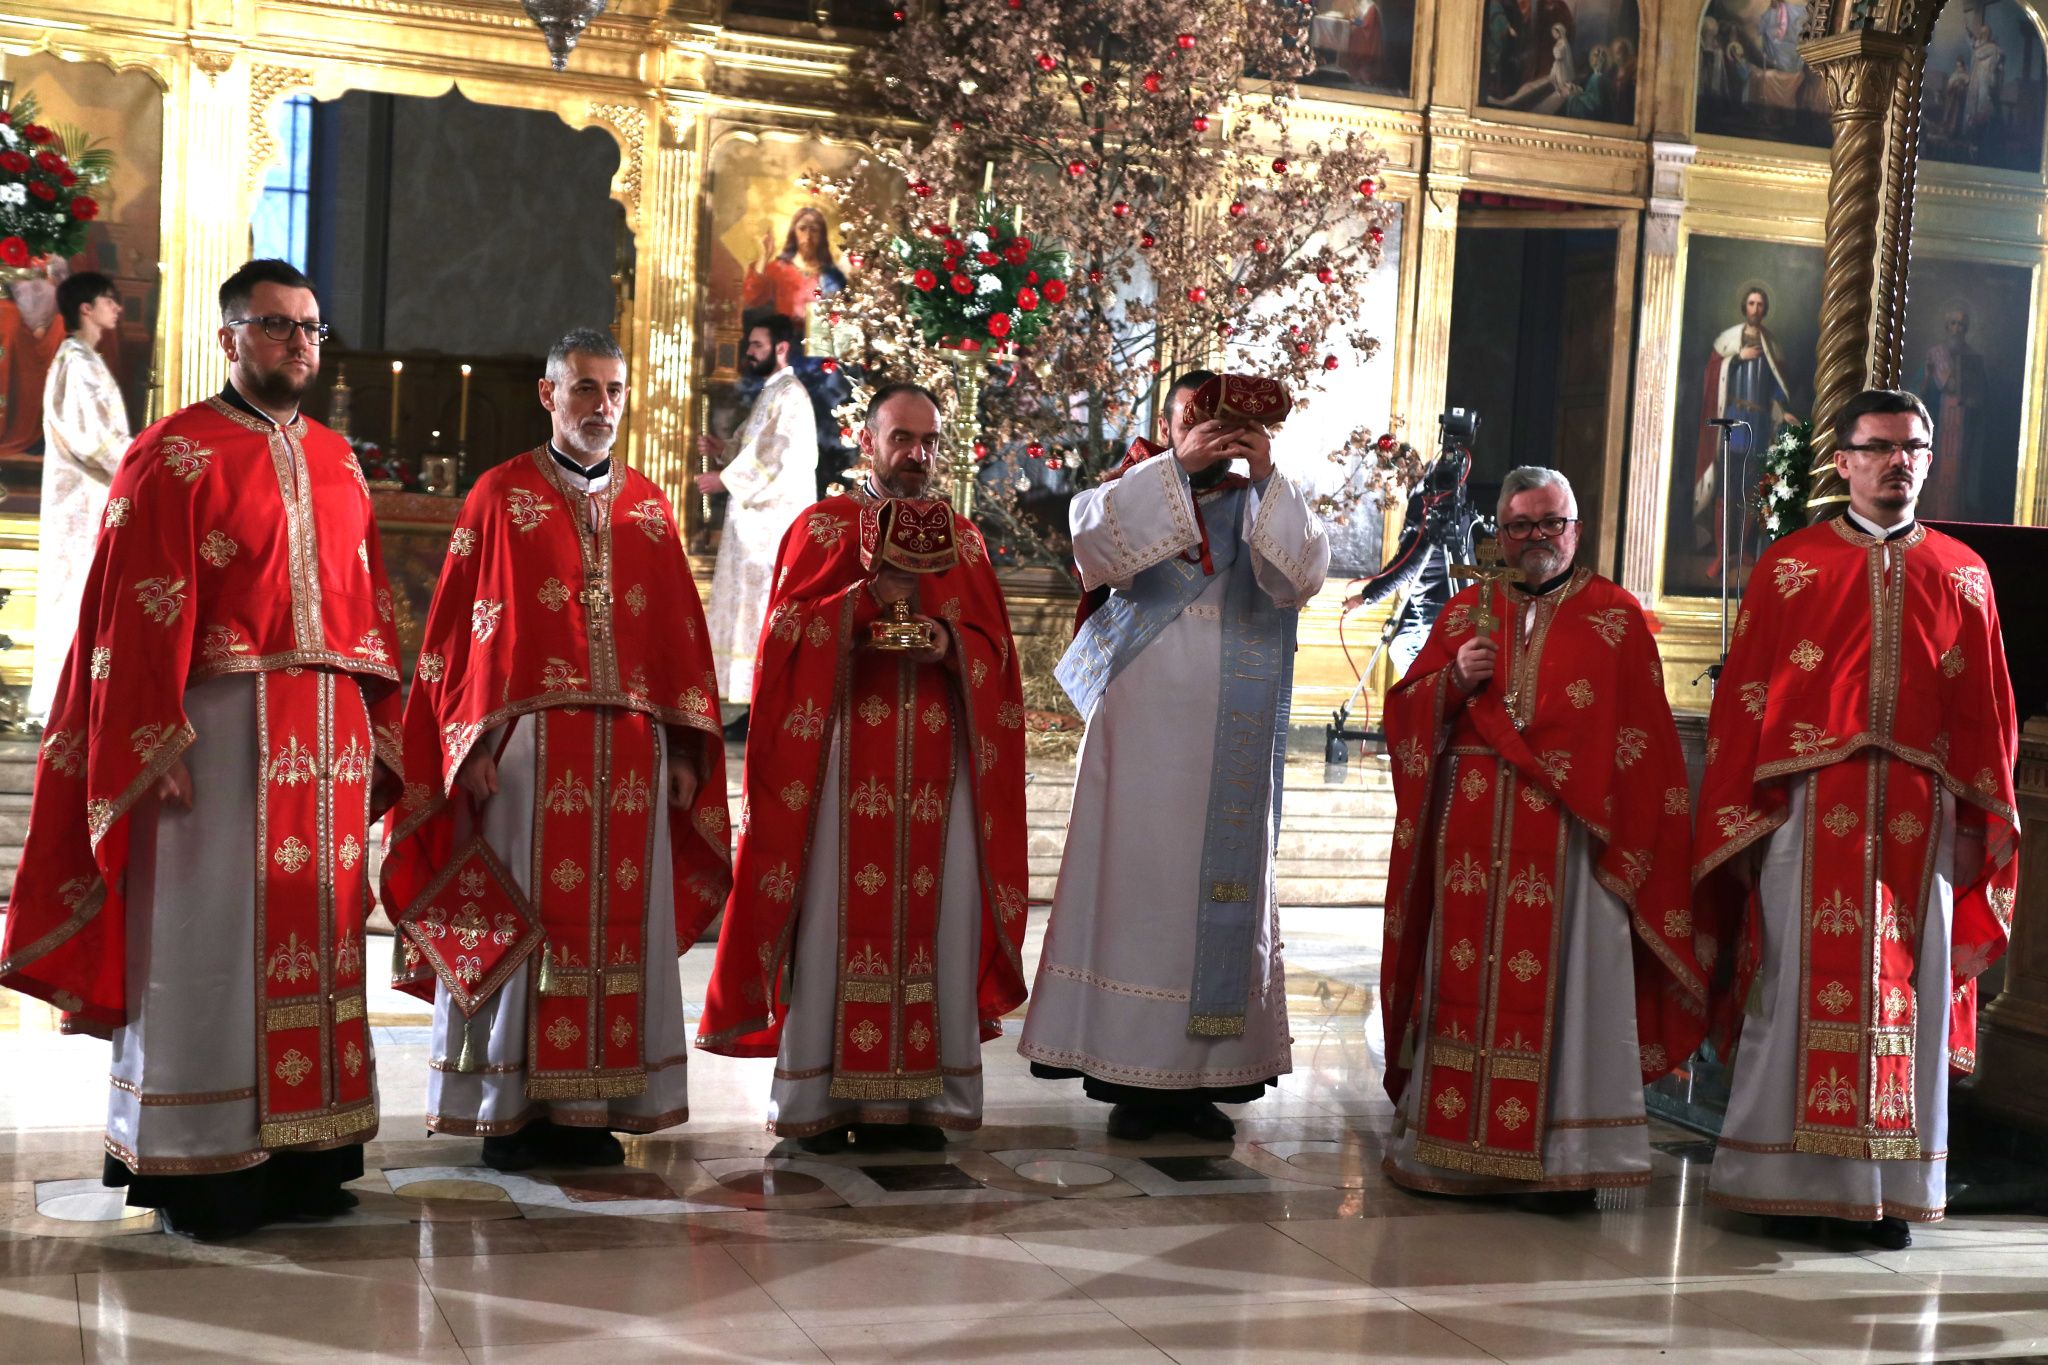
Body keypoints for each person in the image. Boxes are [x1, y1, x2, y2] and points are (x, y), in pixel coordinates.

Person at [0, 259, 403, 1239]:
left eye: (309, 328)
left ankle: (311, 1150)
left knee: (319, 937)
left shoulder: (339, 458)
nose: (298, 344)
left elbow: (369, 603)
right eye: (275, 327)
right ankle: (201, 1160)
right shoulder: (172, 453)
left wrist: (376, 728)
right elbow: (131, 614)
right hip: (212, 741)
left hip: (325, 740)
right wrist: (148, 738)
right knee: (210, 944)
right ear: (230, 338)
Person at [382, 328, 732, 1172]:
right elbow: (459, 637)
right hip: (526, 757)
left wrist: (685, 749)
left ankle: (595, 1106)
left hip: (633, 757)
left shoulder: (647, 507)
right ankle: (511, 1104)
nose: (601, 407)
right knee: (525, 925)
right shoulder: (499, 496)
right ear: (549, 395)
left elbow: (676, 638)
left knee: (617, 931)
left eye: (613, 390)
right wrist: (466, 744)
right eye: (583, 389)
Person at [1696, 389, 2018, 1249]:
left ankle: (1887, 1191)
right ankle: (1781, 1181)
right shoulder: (1790, 567)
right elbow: (1749, 701)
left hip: (1923, 822)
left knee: (1905, 999)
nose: (1897, 462)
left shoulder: (1963, 573)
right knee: (1794, 987)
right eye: (1878, 447)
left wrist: (1976, 817)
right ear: (1842, 461)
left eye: (1913, 447)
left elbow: (1989, 712)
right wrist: (1747, 815)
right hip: (1809, 811)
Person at [695, 383, 1030, 1153]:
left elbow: (996, 657)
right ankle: (823, 1093)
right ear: (867, 442)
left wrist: (950, 643)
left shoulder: (966, 542)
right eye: (902, 439)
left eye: (929, 442)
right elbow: (782, 641)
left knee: (936, 924)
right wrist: (865, 598)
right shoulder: (820, 528)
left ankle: (922, 1098)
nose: (917, 456)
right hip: (843, 773)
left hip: (939, 779)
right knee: (835, 924)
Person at [1378, 467, 1708, 1199]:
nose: (1537, 539)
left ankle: (1567, 1161)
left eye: (1550, 524)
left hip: (1575, 852)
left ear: (1576, 530)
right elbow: (1403, 717)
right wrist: (1453, 682)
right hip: (1470, 840)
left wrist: (1629, 845)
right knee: (1463, 979)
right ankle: (1450, 1149)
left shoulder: (1615, 617)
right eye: (1521, 525)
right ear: (1499, 532)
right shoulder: (1466, 611)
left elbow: (1649, 750)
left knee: (1571, 992)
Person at [1018, 370, 1330, 1141]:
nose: (1213, 433)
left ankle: (1209, 1077)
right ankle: (1126, 1070)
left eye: (1223, 422)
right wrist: (1179, 470)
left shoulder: (1270, 498)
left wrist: (1265, 474)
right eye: (1197, 419)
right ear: (1169, 422)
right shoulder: (1135, 486)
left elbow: (1303, 574)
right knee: (1138, 895)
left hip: (1233, 735)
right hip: (1141, 739)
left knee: (1219, 898)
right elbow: (1093, 545)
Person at [697, 313, 819, 738]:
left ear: (782, 348)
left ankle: (766, 709)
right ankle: (752, 706)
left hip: (774, 527)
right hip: (754, 526)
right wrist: (722, 450)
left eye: (757, 345)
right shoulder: (773, 392)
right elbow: (751, 446)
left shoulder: (792, 396)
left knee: (767, 612)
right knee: (752, 612)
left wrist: (724, 479)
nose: (749, 352)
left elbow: (778, 458)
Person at [31, 272, 130, 726]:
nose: (118, 308)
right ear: (85, 308)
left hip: (89, 499)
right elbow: (95, 439)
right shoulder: (78, 362)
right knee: (76, 598)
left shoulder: (85, 359)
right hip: (82, 502)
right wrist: (144, 461)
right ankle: (67, 707)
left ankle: (78, 703)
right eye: (110, 300)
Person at [1694, 284, 1793, 579]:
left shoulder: (1772, 345)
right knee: (1726, 488)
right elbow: (1713, 376)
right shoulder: (1727, 341)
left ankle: (1743, 549)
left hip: (1759, 427)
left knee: (1752, 490)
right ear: (1744, 307)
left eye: (1760, 304)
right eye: (1751, 303)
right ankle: (1722, 553)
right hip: (1733, 424)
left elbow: (1776, 387)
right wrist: (1737, 358)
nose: (1756, 309)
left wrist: (1781, 409)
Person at [1919, 304, 1985, 519]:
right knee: (1935, 467)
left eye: (1962, 325)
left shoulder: (1974, 357)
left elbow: (1980, 393)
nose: (1957, 329)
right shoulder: (1936, 353)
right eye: (1954, 324)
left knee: (1959, 472)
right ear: (1947, 326)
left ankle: (1954, 514)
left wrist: (1974, 399)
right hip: (1938, 420)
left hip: (1963, 423)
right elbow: (1935, 386)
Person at [741, 207, 846, 326]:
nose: (808, 236)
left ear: (822, 236)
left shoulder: (832, 274)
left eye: (814, 230)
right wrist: (763, 257)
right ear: (794, 233)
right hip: (785, 339)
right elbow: (752, 298)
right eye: (802, 229)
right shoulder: (779, 269)